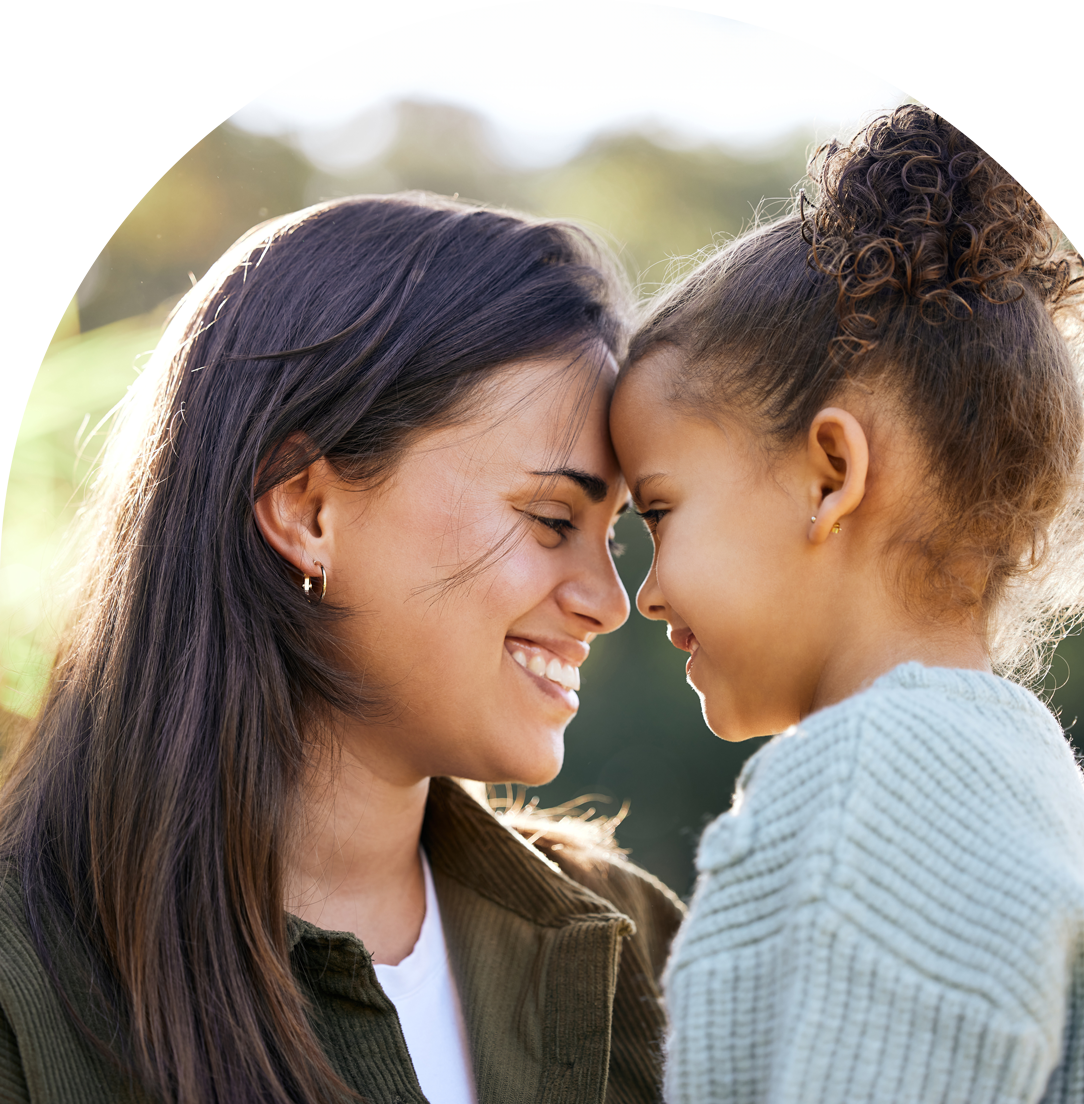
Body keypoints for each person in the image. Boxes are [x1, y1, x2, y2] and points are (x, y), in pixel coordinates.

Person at [0, 194, 683, 1104]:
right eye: (552, 519)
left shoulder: (636, 939)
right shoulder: (26, 986)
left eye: (616, 535)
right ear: (305, 508)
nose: (608, 601)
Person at [611, 97, 1084, 1102]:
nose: (645, 594)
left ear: (830, 471)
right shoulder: (1009, 773)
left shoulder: (880, 788)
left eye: (660, 511)